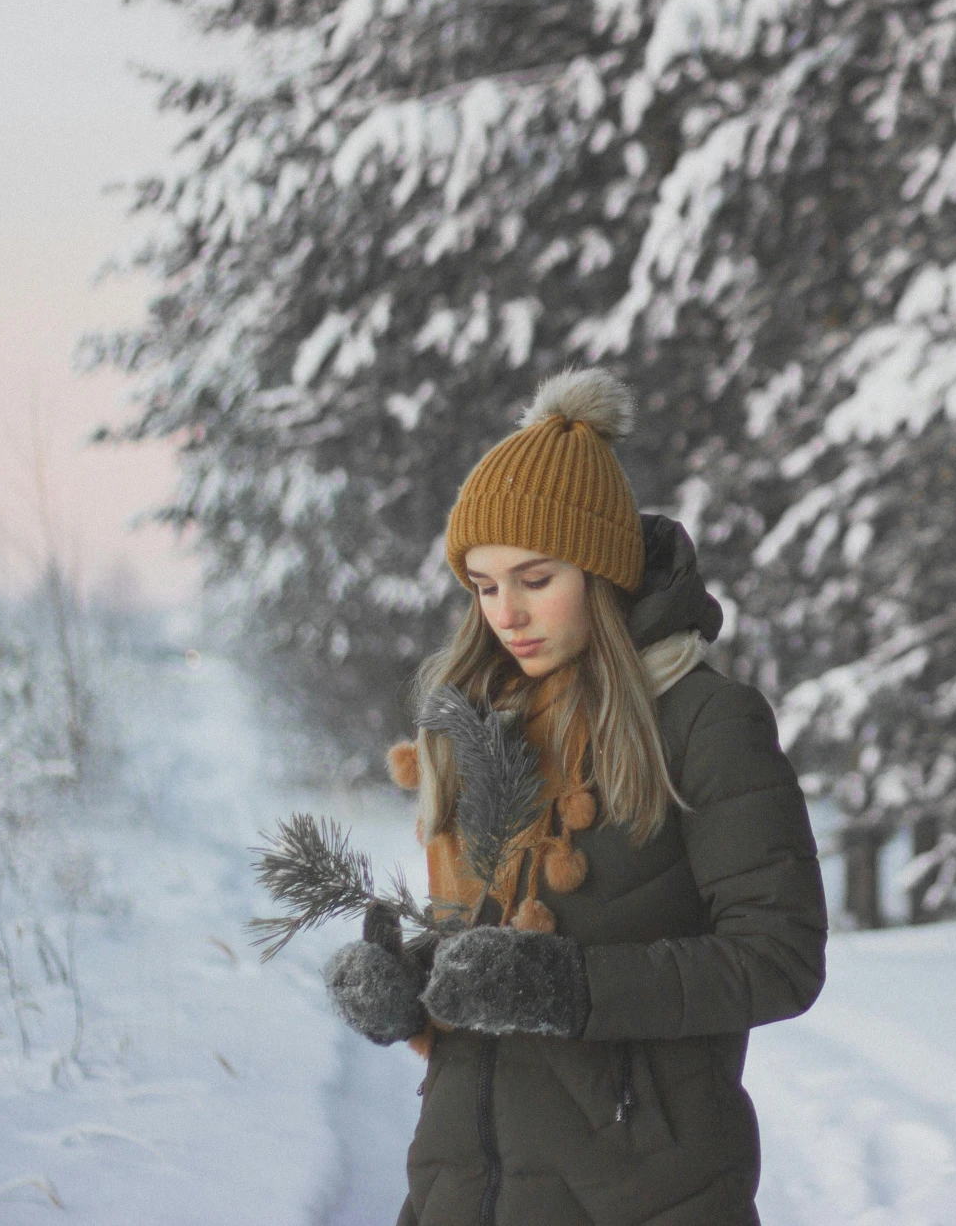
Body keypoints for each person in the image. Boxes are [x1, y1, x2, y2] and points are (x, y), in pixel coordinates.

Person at [322, 367, 826, 1226]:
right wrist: (410, 983)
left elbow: (779, 957)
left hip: (646, 1196)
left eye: (535, 576)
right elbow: (483, 951)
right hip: (459, 1189)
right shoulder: (478, 729)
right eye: (482, 586)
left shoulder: (707, 720)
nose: (505, 613)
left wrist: (571, 988)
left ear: (600, 568)